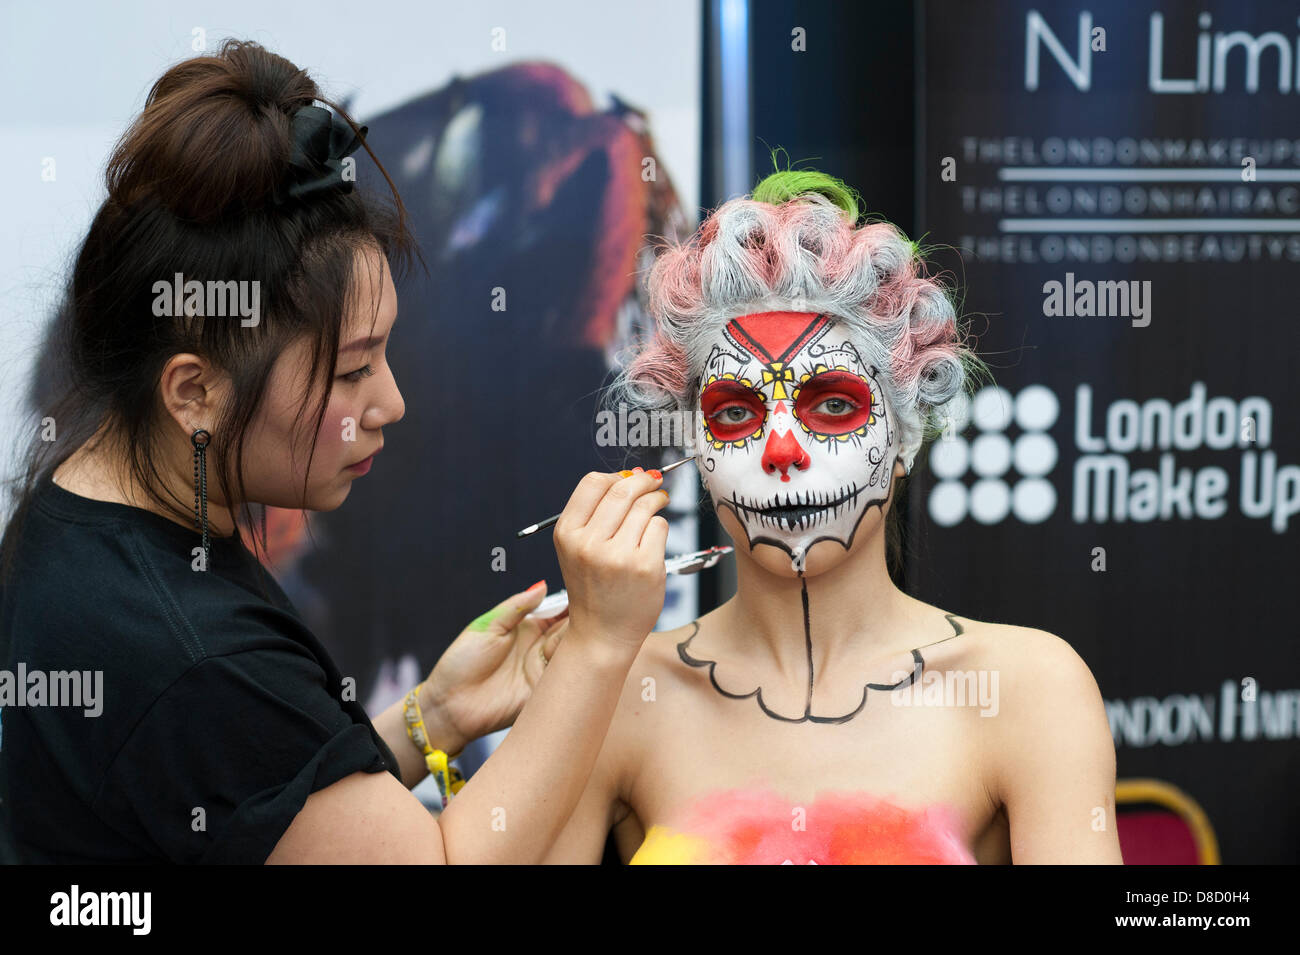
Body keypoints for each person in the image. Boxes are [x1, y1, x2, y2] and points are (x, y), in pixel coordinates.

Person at [0, 39, 670, 864]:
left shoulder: (80, 507)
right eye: (353, 370)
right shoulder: (196, 652)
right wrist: (600, 648)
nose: (391, 403)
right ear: (194, 392)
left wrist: (433, 716)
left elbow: (267, 807)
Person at [540, 168, 1124, 864]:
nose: (781, 450)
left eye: (834, 404)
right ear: (694, 446)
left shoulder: (1029, 688)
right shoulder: (618, 694)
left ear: (905, 433)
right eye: (735, 413)